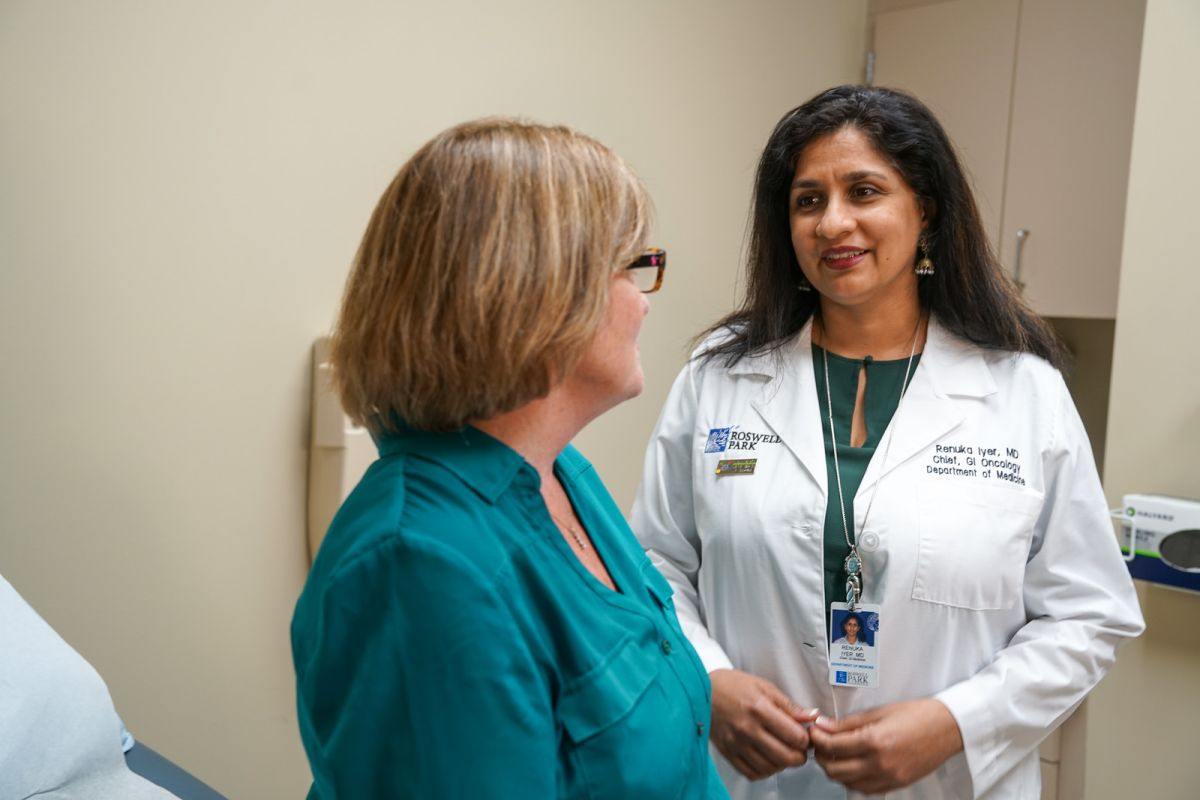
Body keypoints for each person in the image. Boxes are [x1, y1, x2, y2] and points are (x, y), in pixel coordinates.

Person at [631, 86, 1144, 799]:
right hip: (755, 780)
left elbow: (1089, 613)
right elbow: (654, 563)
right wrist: (709, 679)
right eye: (808, 200)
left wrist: (956, 723)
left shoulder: (1022, 392)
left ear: (925, 209)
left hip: (944, 783)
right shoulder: (720, 376)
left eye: (863, 191)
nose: (833, 222)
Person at [291, 119, 727, 799]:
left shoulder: (559, 474)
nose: (643, 302)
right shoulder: (421, 564)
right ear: (542, 293)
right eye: (630, 267)